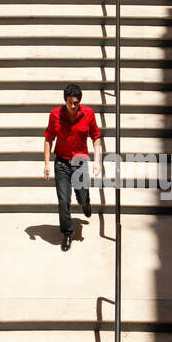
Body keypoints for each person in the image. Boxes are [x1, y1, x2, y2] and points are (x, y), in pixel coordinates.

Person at [43, 84, 102, 251]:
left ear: (80, 102)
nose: (73, 106)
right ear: (65, 101)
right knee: (63, 201)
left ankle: (85, 201)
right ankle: (67, 233)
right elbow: (48, 139)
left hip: (80, 161)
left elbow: (96, 137)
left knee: (82, 195)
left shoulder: (88, 114)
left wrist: (97, 161)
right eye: (70, 102)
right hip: (61, 162)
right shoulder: (55, 115)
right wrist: (47, 163)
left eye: (76, 103)